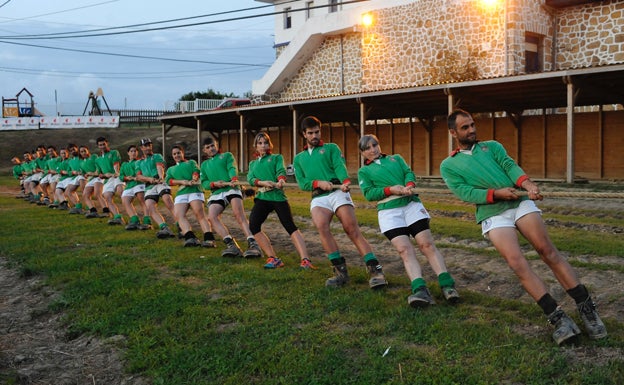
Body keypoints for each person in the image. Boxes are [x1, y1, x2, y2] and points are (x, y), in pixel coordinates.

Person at [440, 109, 607, 344]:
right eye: (465, 127)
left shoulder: (492, 147)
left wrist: (527, 185)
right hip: (491, 212)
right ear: (453, 132)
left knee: (546, 250)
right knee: (517, 263)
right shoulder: (449, 165)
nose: (472, 130)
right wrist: (496, 194)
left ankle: (587, 309)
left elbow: (510, 167)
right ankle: (558, 318)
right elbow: (465, 192)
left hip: (519, 202)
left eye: (472, 125)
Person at [358, 134, 459, 306]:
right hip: (389, 213)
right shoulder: (364, 172)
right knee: (405, 250)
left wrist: (409, 185)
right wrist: (391, 190)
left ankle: (447, 286)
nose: (372, 150)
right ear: (362, 153)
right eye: (367, 148)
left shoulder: (395, 158)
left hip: (411, 206)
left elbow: (408, 173)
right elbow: (369, 193)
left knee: (426, 245)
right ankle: (420, 290)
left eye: (375, 145)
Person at [293, 116, 387, 289]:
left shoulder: (331, 148)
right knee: (321, 226)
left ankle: (375, 270)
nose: (315, 135)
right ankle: (340, 272)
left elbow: (339, 166)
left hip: (337, 191)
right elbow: (302, 183)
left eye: (317, 132)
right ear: (304, 134)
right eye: (311, 133)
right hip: (318, 197)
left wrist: (344, 181)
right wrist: (318, 183)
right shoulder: (299, 158)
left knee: (351, 229)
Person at [247, 132, 316, 270]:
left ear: (269, 144)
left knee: (290, 226)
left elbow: (280, 171)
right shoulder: (253, 163)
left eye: (265, 142)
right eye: (260, 143)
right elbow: (250, 178)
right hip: (262, 198)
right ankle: (273, 258)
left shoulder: (276, 157)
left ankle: (305, 260)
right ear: (255, 146)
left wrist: (280, 180)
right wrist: (262, 182)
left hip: (277, 197)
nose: (263, 145)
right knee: (253, 226)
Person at [200, 136, 262, 258]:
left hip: (231, 188)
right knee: (212, 217)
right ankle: (231, 245)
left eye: (213, 145)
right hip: (217, 193)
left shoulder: (227, 156)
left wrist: (233, 179)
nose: (211, 148)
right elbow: (204, 182)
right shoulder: (204, 165)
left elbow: (231, 167)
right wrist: (213, 184)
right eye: (208, 147)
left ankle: (254, 244)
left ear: (217, 145)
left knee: (238, 215)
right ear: (204, 150)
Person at [165, 145, 217, 247]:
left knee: (199, 213)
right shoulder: (171, 169)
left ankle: (209, 238)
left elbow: (196, 171)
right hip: (181, 193)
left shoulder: (191, 162)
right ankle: (190, 237)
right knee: (178, 215)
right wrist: (182, 182)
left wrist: (194, 178)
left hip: (194, 190)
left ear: (183, 153)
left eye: (178, 153)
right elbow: (169, 181)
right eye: (174, 154)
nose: (177, 155)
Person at [135, 138, 177, 239]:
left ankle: (181, 224)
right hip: (149, 185)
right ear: (142, 148)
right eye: (146, 145)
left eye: (149, 145)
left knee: (168, 201)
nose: (148, 147)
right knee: (150, 206)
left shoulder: (157, 156)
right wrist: (150, 179)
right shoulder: (138, 162)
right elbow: (139, 176)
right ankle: (164, 227)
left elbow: (160, 167)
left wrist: (161, 177)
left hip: (159, 181)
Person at [119, 144, 151, 230]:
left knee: (142, 200)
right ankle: (134, 219)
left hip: (139, 183)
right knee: (125, 200)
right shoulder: (124, 164)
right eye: (131, 151)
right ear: (128, 153)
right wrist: (126, 178)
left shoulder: (140, 161)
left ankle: (147, 221)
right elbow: (121, 176)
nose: (133, 153)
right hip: (129, 185)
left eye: (135, 151)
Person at [94, 136, 125, 225]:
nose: (102, 146)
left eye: (104, 144)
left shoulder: (114, 152)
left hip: (116, 176)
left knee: (121, 193)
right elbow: (99, 173)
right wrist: (103, 175)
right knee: (107, 197)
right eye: (100, 145)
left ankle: (133, 217)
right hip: (108, 180)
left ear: (107, 143)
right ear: (98, 146)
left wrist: (115, 173)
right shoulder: (98, 159)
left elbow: (116, 164)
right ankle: (117, 217)